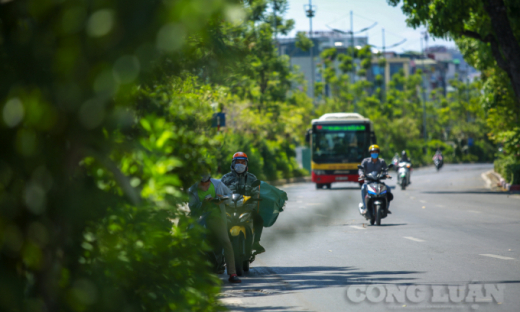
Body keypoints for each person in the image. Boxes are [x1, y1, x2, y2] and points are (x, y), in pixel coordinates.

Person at [188, 170, 242, 283]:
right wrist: (203, 203)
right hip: (201, 220)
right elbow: (192, 208)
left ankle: (232, 273)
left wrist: (222, 198)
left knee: (226, 242)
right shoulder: (192, 190)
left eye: (206, 183)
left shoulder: (217, 184)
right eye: (202, 183)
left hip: (217, 218)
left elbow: (230, 195)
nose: (205, 185)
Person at [221, 152, 265, 254]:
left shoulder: (252, 178)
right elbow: (220, 193)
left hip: (247, 208)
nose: (240, 164)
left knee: (259, 219)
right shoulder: (225, 178)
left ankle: (256, 242)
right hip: (229, 208)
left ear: (246, 164)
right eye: (238, 162)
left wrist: (250, 206)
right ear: (233, 164)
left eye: (242, 162)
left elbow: (255, 194)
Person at [359, 145, 393, 214]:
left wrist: (386, 174)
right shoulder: (365, 161)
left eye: (376, 152)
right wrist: (361, 175)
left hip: (378, 181)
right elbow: (361, 169)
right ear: (370, 153)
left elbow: (385, 170)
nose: (374, 153)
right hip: (368, 182)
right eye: (372, 152)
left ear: (378, 152)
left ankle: (386, 207)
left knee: (388, 188)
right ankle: (365, 208)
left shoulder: (382, 161)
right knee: (363, 188)